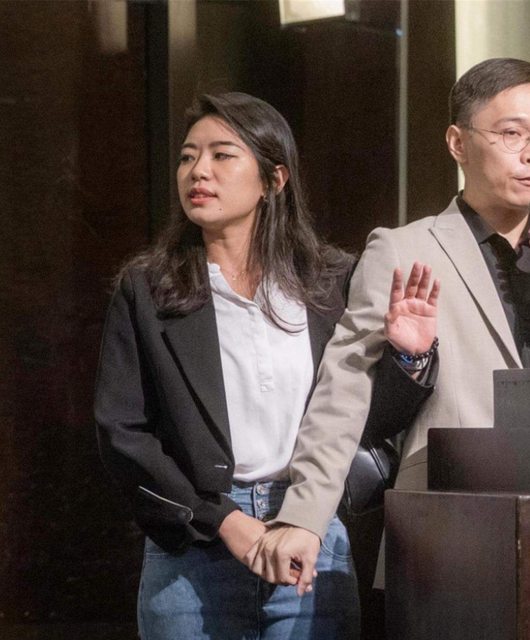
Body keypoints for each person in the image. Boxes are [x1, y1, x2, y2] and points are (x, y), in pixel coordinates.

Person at [94, 91, 438, 640]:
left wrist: (408, 355)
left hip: (309, 529)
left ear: (274, 179)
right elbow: (122, 433)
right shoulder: (149, 288)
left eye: (222, 155)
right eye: (187, 157)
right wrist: (224, 521)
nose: (198, 171)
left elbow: (362, 420)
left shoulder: (330, 282)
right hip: (194, 545)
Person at [250, 57, 530, 600]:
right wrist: (304, 515)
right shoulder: (405, 250)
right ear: (458, 142)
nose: (528, 152)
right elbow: (344, 387)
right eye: (511, 133)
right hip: (449, 536)